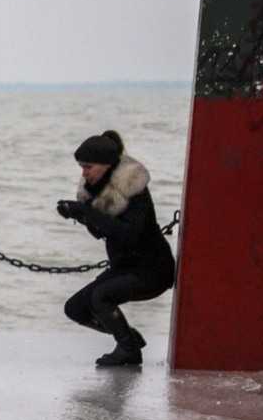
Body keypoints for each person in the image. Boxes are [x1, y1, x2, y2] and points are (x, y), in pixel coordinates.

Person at [56, 130, 176, 367]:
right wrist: (76, 213)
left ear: (107, 165)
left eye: (88, 166)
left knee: (101, 296)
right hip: (125, 268)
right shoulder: (97, 190)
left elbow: (128, 234)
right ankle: (128, 337)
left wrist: (85, 213)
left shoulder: (134, 189)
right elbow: (100, 231)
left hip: (153, 270)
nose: (84, 173)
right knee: (75, 308)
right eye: (81, 167)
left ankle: (128, 348)